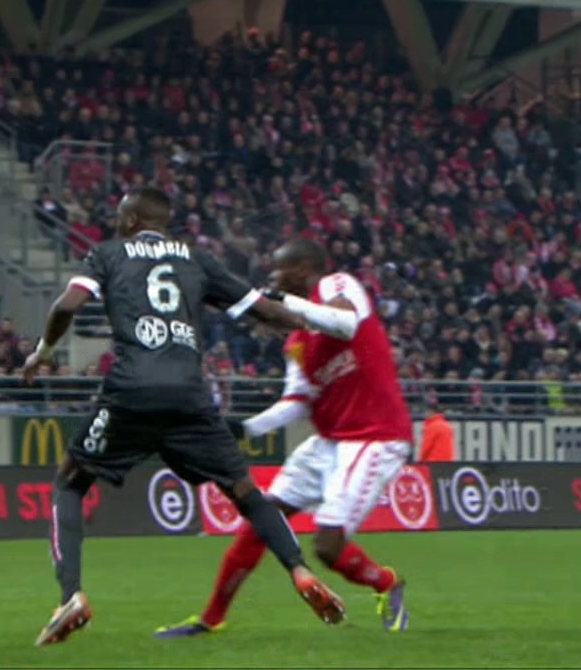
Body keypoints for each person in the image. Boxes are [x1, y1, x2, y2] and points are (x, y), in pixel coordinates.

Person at [21, 189, 353, 646]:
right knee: (246, 493)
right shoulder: (197, 260)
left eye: (121, 217)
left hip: (131, 391)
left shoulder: (108, 254)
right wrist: (324, 323)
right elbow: (268, 312)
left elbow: (65, 307)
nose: (117, 224)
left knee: (69, 482)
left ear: (133, 218)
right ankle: (298, 571)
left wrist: (43, 352)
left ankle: (70, 597)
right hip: (190, 396)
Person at [155, 239, 414, 638]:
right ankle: (211, 618)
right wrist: (244, 428)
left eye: (276, 275)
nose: (271, 284)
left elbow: (344, 324)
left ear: (299, 271)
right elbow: (296, 402)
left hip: (375, 437)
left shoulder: (337, 285)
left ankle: (386, 583)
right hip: (328, 440)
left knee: (327, 548)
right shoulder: (296, 342)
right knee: (262, 519)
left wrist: (289, 304)